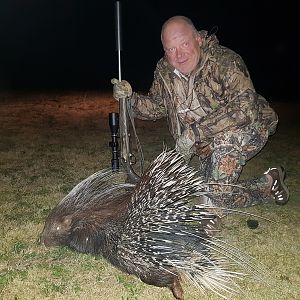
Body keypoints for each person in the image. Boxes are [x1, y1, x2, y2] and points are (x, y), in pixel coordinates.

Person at [111, 15, 289, 208]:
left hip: (248, 128)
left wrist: (193, 133)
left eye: (184, 44)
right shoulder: (164, 70)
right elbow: (156, 106)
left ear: (199, 39)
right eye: (171, 49)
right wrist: (129, 98)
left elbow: (245, 108)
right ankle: (270, 182)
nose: (179, 55)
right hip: (205, 144)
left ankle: (213, 213)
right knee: (208, 190)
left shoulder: (224, 61)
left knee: (215, 190)